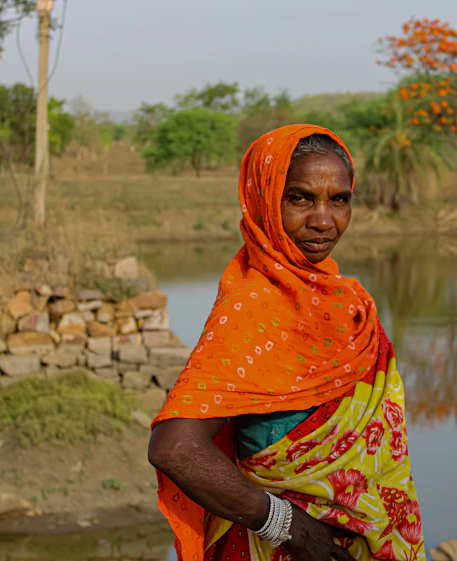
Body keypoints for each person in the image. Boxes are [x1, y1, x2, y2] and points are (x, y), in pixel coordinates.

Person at [148, 124, 425, 561]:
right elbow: (175, 448)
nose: (324, 220)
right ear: (264, 201)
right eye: (300, 198)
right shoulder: (252, 307)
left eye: (339, 200)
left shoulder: (349, 301)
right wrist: (291, 528)